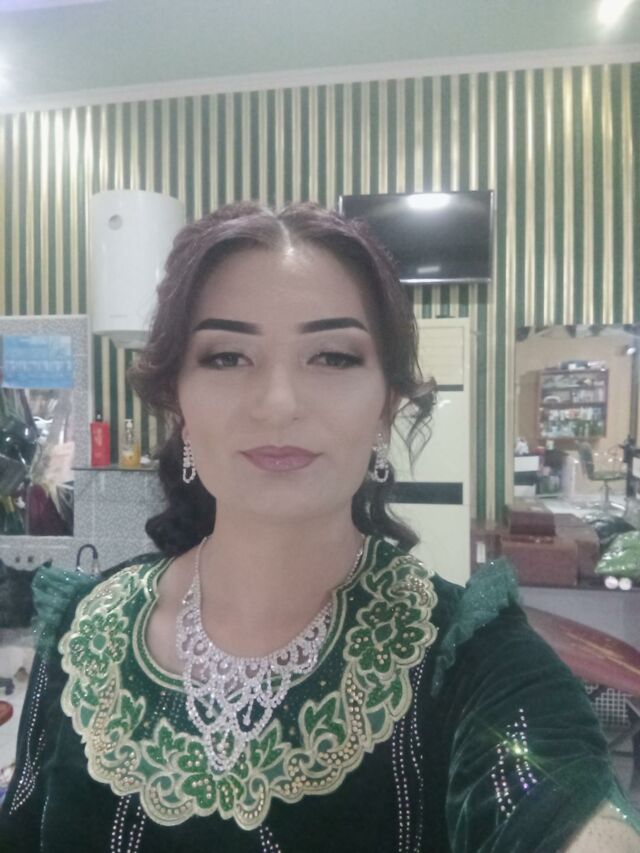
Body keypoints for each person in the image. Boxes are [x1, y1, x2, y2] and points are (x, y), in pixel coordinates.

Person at [1, 202, 638, 852]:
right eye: (227, 357)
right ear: (178, 406)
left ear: (386, 406)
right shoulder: (85, 633)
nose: (279, 403)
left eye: (332, 357)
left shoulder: (470, 662)